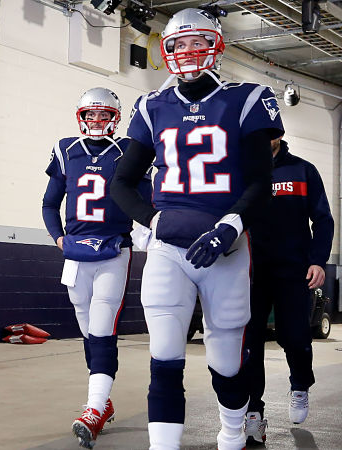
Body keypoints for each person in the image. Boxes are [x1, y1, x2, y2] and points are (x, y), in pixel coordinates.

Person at [110, 8, 284, 450]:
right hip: (168, 249)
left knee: (226, 361)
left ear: (216, 45)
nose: (187, 51)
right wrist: (153, 219)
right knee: (164, 357)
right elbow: (122, 183)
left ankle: (232, 435)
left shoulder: (247, 98)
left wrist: (230, 226)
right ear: (166, 50)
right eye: (177, 44)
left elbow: (261, 182)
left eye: (197, 42)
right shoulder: (152, 105)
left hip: (226, 248)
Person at [41, 87, 150, 449]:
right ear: (81, 117)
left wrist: (149, 228)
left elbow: (147, 197)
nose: (98, 120)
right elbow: (49, 203)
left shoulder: (128, 150)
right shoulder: (66, 149)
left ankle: (92, 408)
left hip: (113, 249)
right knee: (89, 332)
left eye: (105, 114)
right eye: (92, 114)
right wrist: (59, 238)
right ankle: (102, 402)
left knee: (102, 330)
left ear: (115, 118)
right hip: (75, 254)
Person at [243, 137, 334, 444]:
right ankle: (253, 412)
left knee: (294, 337)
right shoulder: (243, 170)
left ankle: (300, 385)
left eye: (271, 131)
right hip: (251, 272)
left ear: (279, 135)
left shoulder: (303, 171)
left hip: (294, 270)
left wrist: (318, 260)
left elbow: (323, 219)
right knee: (250, 343)